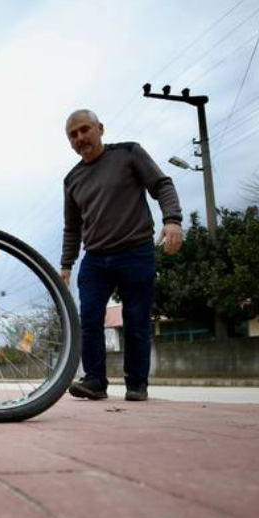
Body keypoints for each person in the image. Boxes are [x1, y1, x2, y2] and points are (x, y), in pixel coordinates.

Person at [60, 109, 183, 401]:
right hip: (95, 260)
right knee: (88, 318)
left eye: (85, 129)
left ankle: (137, 384)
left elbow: (161, 185)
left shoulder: (129, 153)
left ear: (100, 128)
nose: (80, 137)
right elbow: (72, 227)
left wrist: (173, 220)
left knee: (136, 319)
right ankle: (94, 381)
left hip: (136, 252)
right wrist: (66, 265)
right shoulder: (71, 179)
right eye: (73, 135)